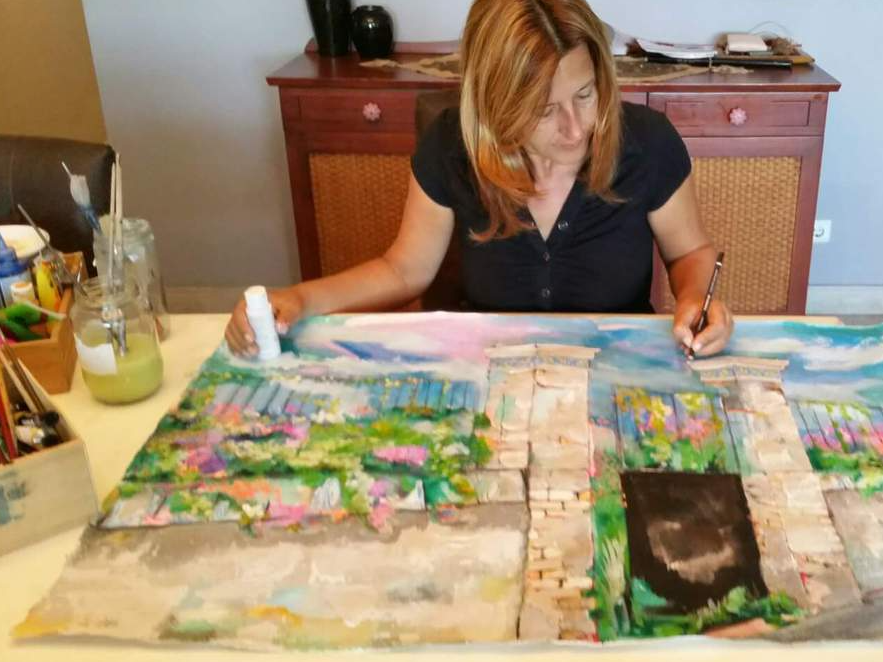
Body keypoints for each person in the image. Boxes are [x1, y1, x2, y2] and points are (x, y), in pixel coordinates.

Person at [226, 0, 733, 357]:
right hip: (490, 371)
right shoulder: (452, 147)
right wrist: (300, 300)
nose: (577, 128)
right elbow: (404, 270)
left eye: (585, 94)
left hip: (619, 369)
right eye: (543, 110)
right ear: (495, 106)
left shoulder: (648, 143)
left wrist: (695, 297)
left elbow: (690, 252)